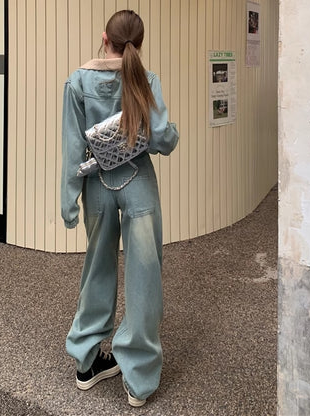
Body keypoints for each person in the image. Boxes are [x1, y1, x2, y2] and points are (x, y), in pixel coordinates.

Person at [61, 9, 179, 407]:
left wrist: (68, 199)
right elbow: (161, 138)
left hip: (96, 184)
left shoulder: (77, 81)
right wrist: (170, 134)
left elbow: (73, 148)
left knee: (97, 266)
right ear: (138, 45)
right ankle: (138, 381)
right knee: (144, 276)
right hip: (138, 182)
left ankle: (87, 362)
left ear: (104, 38)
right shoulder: (146, 79)